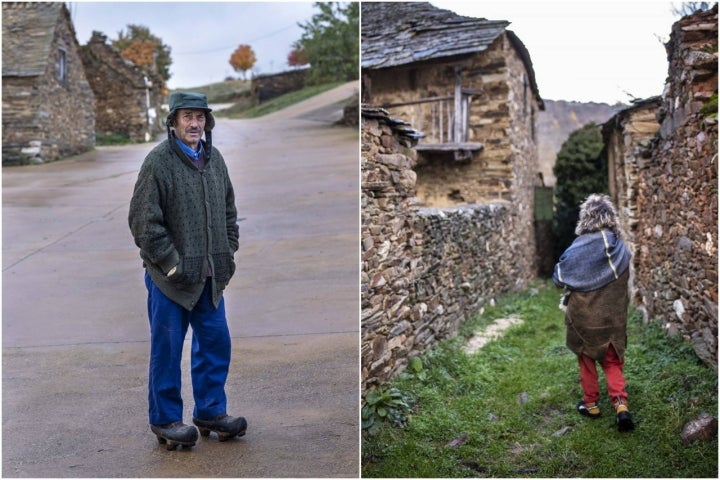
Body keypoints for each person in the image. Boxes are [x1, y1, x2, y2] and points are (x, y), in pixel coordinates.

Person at [129, 92, 247, 450]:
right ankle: (165, 419)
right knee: (166, 349)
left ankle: (210, 411)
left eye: (200, 117)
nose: (194, 124)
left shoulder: (215, 160)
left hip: (210, 277)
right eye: (187, 117)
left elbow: (229, 211)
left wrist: (228, 250)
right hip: (170, 281)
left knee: (215, 343)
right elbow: (143, 223)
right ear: (173, 122)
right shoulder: (158, 163)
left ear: (207, 123)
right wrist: (171, 263)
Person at [552, 194, 634, 432]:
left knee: (586, 360)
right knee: (612, 362)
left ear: (585, 217)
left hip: (584, 320)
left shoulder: (579, 247)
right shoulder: (621, 249)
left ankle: (591, 405)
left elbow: (560, 277)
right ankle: (621, 405)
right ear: (611, 217)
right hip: (613, 319)